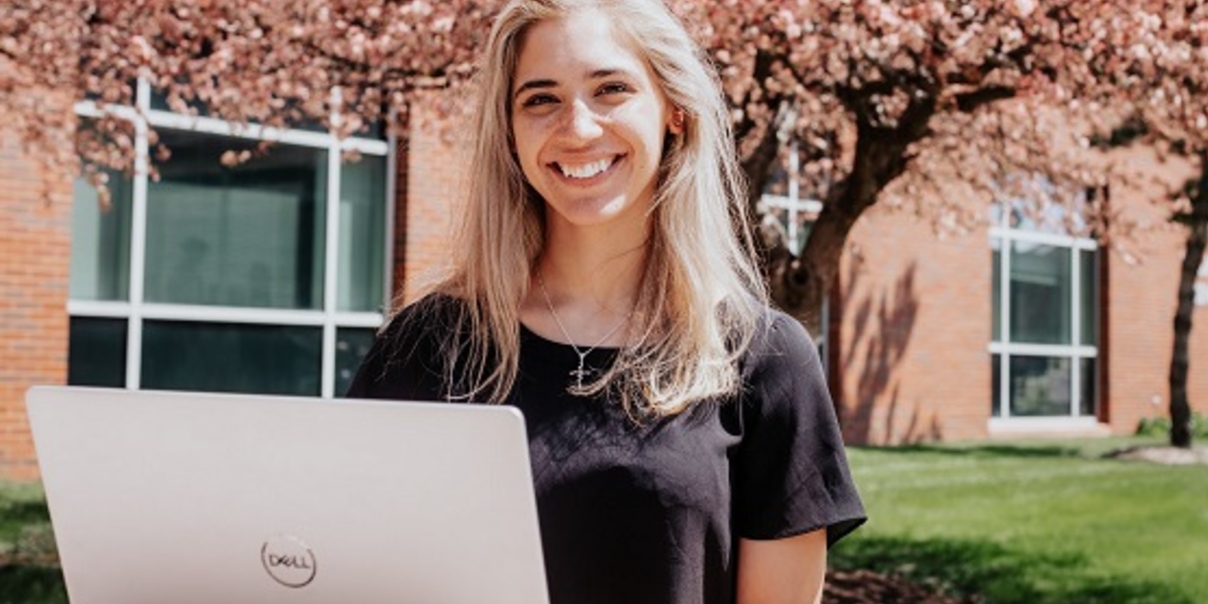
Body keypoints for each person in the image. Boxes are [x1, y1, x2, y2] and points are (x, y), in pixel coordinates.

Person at [346, 0, 867, 602]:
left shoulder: (767, 360)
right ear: (511, 134)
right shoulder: (427, 346)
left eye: (611, 88)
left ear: (675, 111)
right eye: (540, 99)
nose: (579, 127)